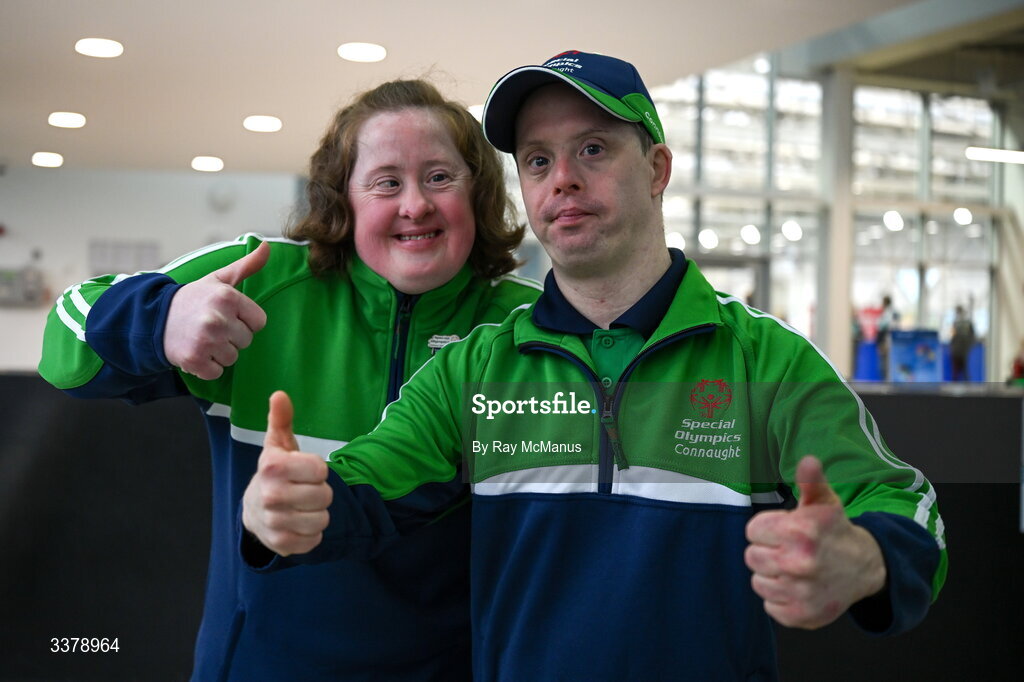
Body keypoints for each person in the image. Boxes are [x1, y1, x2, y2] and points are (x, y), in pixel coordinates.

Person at [243, 51, 947, 680]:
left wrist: (866, 560)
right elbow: (363, 482)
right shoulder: (478, 368)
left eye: (593, 149)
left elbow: (901, 503)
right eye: (539, 160)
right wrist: (283, 505)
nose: (563, 181)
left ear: (657, 168)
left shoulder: (763, 359)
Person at [38, 79, 541, 681]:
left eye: (439, 177)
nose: (415, 205)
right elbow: (66, 341)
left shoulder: (525, 328)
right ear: (343, 198)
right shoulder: (259, 279)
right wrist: (161, 322)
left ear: (478, 193)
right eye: (386, 182)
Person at [950, 304, 976, 381]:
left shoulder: (958, 323)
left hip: (959, 349)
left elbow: (953, 337)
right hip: (962, 349)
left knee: (959, 370)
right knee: (962, 370)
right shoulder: (964, 322)